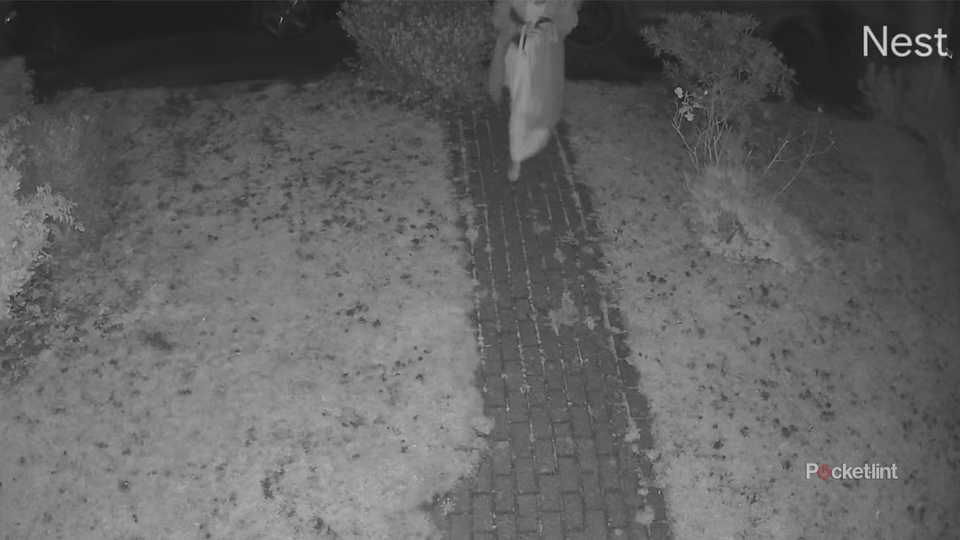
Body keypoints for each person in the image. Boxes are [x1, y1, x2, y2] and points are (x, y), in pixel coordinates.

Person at [487, 0, 580, 182]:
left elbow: (567, 21)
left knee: (541, 107)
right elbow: (499, 19)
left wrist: (551, 27)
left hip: (545, 58)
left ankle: (528, 143)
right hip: (517, 54)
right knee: (520, 105)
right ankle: (517, 155)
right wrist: (520, 28)